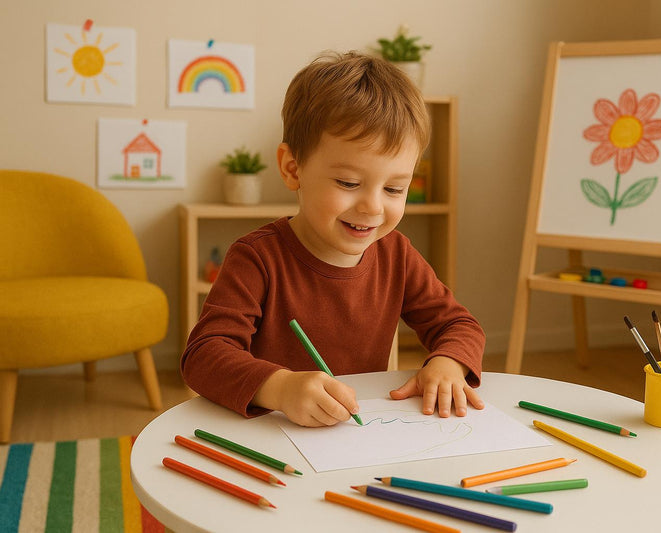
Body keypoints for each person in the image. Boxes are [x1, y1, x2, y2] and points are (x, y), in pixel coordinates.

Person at [181, 51, 485, 428]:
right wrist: (280, 388)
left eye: (394, 188)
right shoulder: (256, 258)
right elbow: (203, 356)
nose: (373, 207)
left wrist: (448, 362)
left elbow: (459, 325)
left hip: (352, 438)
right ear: (293, 169)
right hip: (269, 433)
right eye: (348, 183)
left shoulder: (396, 254)